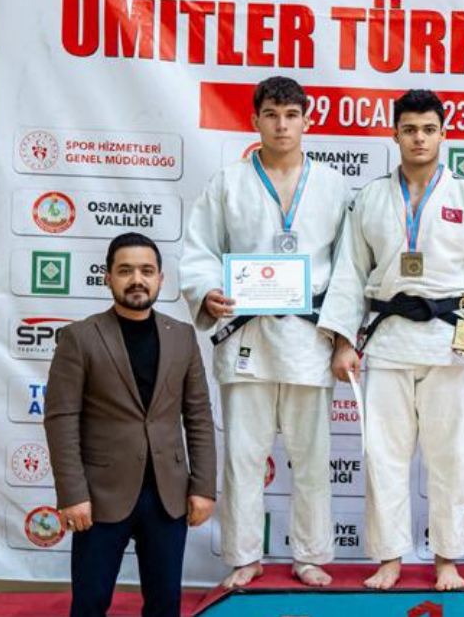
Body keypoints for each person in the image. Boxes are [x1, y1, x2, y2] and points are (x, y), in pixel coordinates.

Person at [318, 89, 464, 591]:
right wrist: (343, 341)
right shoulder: (369, 198)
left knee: (449, 456)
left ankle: (447, 558)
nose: (419, 138)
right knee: (384, 456)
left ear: (443, 133)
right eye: (409, 129)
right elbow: (350, 274)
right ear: (395, 134)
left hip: (448, 342)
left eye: (428, 129)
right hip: (387, 340)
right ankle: (389, 557)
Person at [180, 76, 349, 587]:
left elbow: (348, 267)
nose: (281, 125)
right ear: (254, 120)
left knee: (312, 458)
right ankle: (244, 556)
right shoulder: (228, 182)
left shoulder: (332, 185)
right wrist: (207, 291)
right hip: (247, 338)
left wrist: (343, 336)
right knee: (243, 456)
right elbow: (200, 249)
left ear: (307, 120)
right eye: (271, 115)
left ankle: (310, 555)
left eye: (291, 115)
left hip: (308, 339)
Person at [45, 232, 216, 617]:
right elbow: (61, 420)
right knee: (90, 604)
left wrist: (203, 487)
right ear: (107, 277)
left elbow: (199, 416)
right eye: (125, 271)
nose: (136, 279)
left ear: (160, 279)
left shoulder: (183, 336)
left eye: (146, 271)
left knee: (165, 605)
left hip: (168, 497)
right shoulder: (79, 338)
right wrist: (72, 494)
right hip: (99, 497)